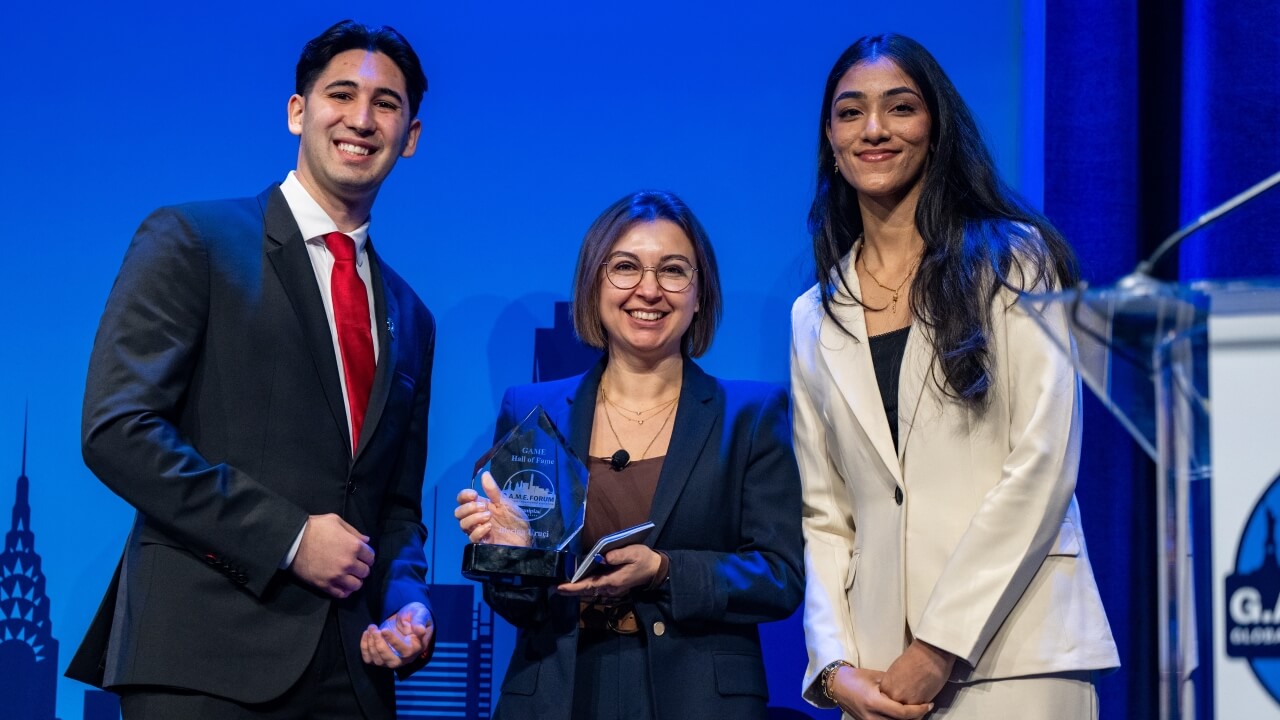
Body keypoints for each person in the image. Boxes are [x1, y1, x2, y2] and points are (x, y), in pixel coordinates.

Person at [66, 20, 437, 720]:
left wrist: (407, 599)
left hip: (351, 676)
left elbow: (395, 510)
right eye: (340, 94)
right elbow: (118, 430)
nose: (362, 118)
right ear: (298, 111)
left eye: (386, 104)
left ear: (410, 136)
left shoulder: (412, 315)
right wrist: (290, 536)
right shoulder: (193, 239)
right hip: (206, 660)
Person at [791, 34, 1120, 719]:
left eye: (899, 108)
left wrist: (938, 647)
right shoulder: (814, 314)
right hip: (879, 683)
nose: (874, 129)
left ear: (935, 128)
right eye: (851, 113)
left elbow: (1044, 461)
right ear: (831, 138)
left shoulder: (1013, 261)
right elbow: (826, 514)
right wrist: (835, 667)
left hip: (1016, 657)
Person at [455, 190, 805, 720]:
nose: (648, 289)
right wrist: (512, 554)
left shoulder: (750, 416)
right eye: (624, 267)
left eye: (672, 271)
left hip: (698, 699)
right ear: (594, 286)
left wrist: (665, 571)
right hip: (555, 692)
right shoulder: (531, 410)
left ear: (700, 295)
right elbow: (516, 607)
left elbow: (780, 577)